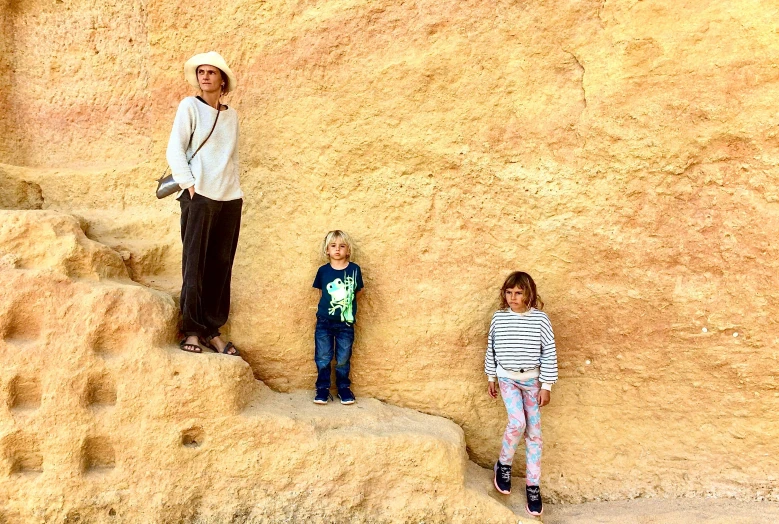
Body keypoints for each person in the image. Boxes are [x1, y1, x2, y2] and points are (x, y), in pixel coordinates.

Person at [166, 51, 243, 357]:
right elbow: (175, 149)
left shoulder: (231, 116)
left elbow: (232, 156)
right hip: (199, 196)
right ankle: (193, 330)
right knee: (194, 265)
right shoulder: (189, 107)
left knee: (220, 267)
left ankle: (213, 330)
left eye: (212, 72)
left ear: (222, 80)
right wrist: (190, 185)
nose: (206, 76)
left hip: (229, 199)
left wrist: (236, 189)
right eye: (202, 72)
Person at [485, 271, 558, 517]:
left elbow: (549, 351)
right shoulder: (499, 318)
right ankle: (503, 465)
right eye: (509, 292)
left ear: (529, 294)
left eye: (518, 293)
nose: (513, 298)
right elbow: (491, 348)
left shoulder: (540, 320)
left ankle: (533, 485)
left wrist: (546, 386)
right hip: (507, 378)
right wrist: (491, 377)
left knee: (534, 434)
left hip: (533, 382)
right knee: (517, 423)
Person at [312, 230, 364, 405]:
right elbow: (322, 293)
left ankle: (343, 388)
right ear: (327, 250)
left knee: (343, 358)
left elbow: (358, 292)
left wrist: (346, 308)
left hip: (345, 323)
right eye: (333, 246)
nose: (337, 250)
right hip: (324, 322)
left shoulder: (354, 270)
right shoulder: (323, 271)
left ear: (348, 250)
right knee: (323, 357)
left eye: (342, 246)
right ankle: (322, 389)